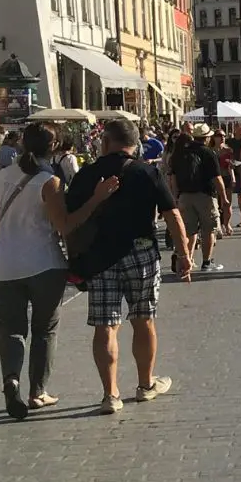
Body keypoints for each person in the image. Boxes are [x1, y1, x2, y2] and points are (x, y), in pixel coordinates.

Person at [64, 119, 190, 415]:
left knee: (105, 325)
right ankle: (146, 385)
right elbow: (172, 214)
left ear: (105, 142)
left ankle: (110, 394)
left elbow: (70, 221)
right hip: (141, 253)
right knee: (143, 319)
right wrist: (184, 253)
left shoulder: (87, 174)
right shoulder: (147, 171)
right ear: (136, 144)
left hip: (101, 257)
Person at [0, 124, 108, 418]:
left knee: (11, 330)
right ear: (53, 148)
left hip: (1, 264)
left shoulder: (3, 175)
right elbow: (64, 225)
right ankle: (37, 392)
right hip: (42, 263)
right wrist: (96, 199)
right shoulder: (48, 181)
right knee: (44, 330)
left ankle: (10, 380)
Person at [166, 123, 226, 273]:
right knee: (208, 230)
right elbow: (217, 178)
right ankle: (207, 262)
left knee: (189, 231)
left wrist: (176, 196)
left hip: (185, 196)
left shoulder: (180, 153)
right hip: (204, 195)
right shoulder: (207, 152)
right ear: (206, 138)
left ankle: (184, 258)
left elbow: (173, 177)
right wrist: (224, 198)